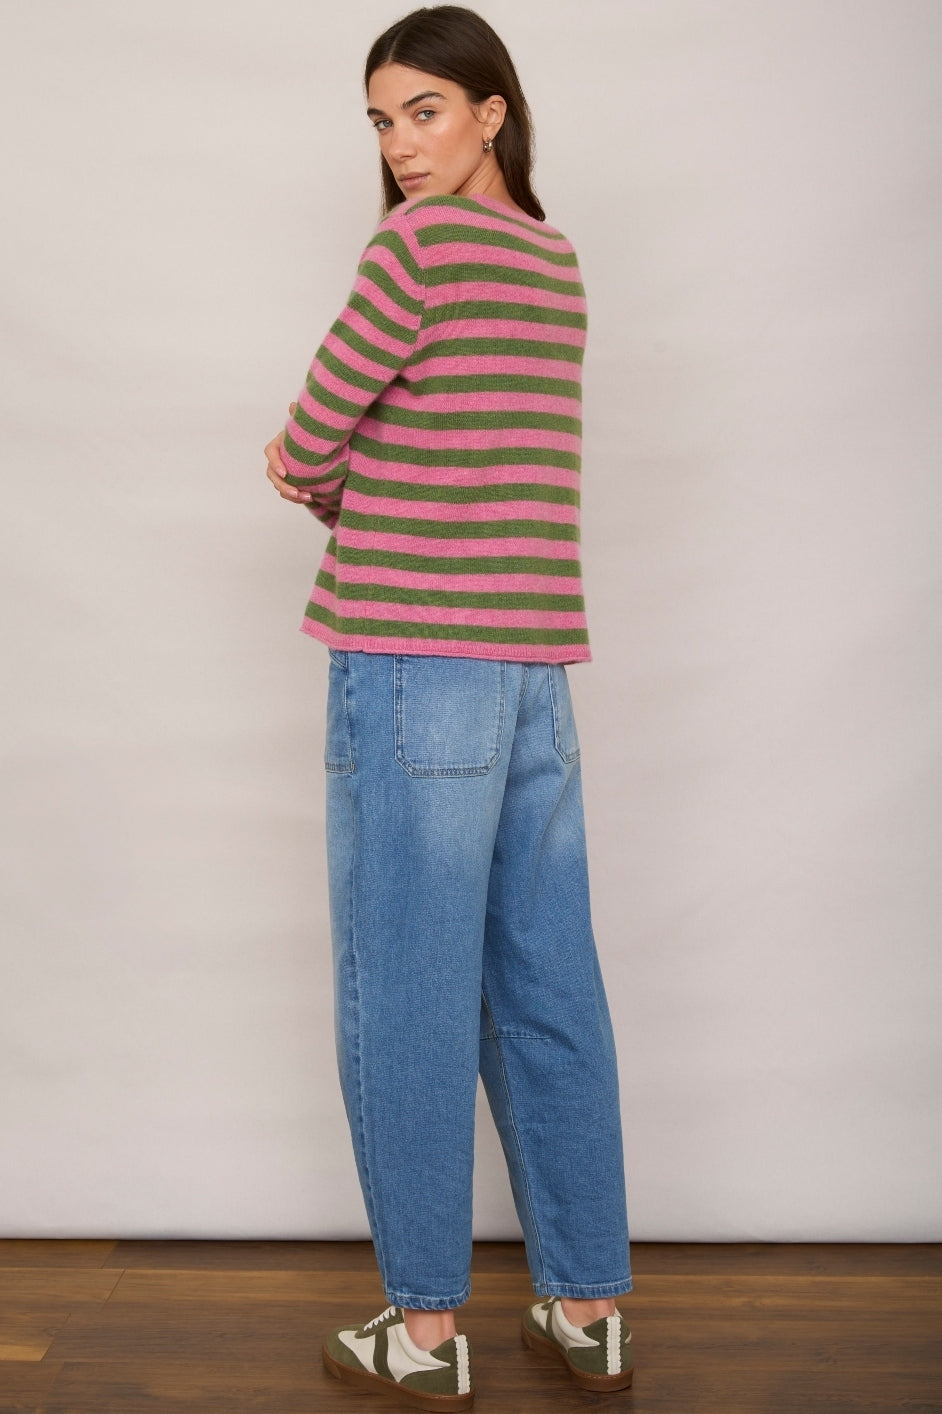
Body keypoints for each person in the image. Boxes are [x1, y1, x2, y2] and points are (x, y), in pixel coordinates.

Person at [264, 7, 633, 1407]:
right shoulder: (554, 259)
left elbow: (313, 435)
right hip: (534, 673)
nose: (400, 145)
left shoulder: (414, 251)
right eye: (380, 121)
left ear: (492, 111)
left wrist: (317, 477)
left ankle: (421, 1331)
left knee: (404, 989)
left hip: (417, 666)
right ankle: (586, 1302)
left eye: (424, 110)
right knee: (546, 979)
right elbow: (495, 457)